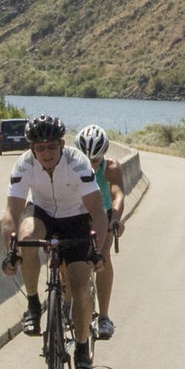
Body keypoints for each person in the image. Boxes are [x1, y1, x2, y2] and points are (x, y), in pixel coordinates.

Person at [0, 114, 108, 369]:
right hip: (44, 213)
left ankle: (82, 349)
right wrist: (11, 250)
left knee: (80, 286)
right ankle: (34, 304)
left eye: (51, 147)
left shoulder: (77, 162)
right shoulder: (25, 165)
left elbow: (97, 211)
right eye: (40, 148)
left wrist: (97, 249)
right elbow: (11, 213)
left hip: (76, 218)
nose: (46, 153)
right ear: (31, 149)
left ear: (62, 144)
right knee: (26, 236)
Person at [74, 124, 126, 340]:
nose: (92, 167)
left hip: (103, 214)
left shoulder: (111, 167)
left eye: (95, 161)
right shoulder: (69, 165)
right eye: (88, 161)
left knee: (103, 257)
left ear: (103, 155)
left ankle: (103, 316)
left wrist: (115, 218)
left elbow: (118, 195)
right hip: (75, 215)